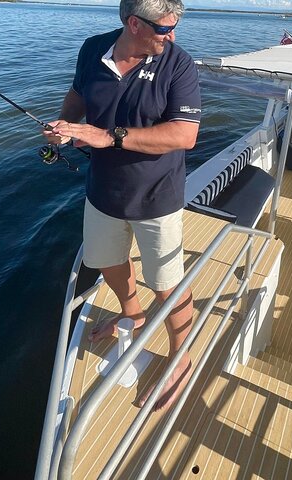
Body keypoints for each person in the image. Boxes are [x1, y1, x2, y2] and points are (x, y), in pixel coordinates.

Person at [43, 0, 201, 412]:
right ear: (134, 23)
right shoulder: (92, 49)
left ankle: (180, 356)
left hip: (157, 196)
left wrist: (107, 137)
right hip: (102, 191)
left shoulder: (178, 64)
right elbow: (78, 94)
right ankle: (132, 313)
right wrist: (64, 127)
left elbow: (184, 136)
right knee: (106, 260)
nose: (173, 35)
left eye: (175, 27)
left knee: (166, 283)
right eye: (165, 28)